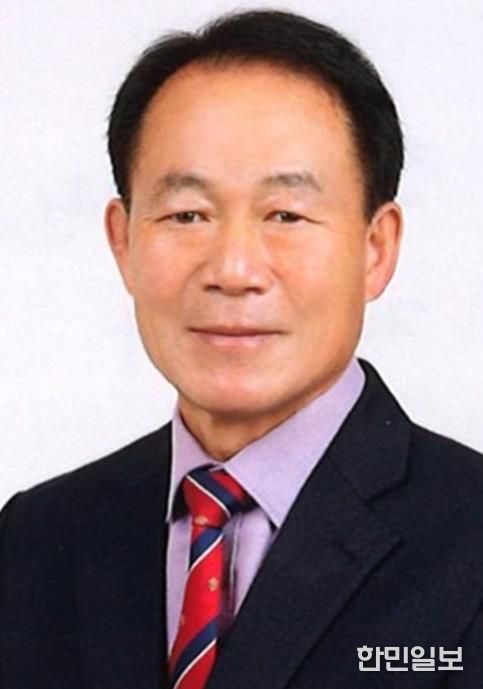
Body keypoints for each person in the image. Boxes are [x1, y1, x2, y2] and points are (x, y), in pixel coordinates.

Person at [1, 9, 482, 688]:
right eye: (186, 214)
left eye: (285, 215)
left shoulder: (469, 533)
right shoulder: (34, 537)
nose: (232, 270)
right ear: (123, 241)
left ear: (376, 248)